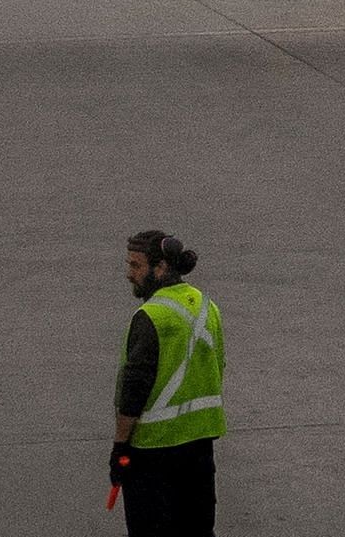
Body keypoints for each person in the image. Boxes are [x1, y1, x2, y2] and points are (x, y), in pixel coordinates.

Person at [109, 229, 225, 535]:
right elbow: (216, 367)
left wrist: (120, 448)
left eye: (136, 266)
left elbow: (133, 392)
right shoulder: (206, 307)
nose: (129, 274)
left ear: (160, 268)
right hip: (200, 447)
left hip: (152, 453)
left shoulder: (151, 316)